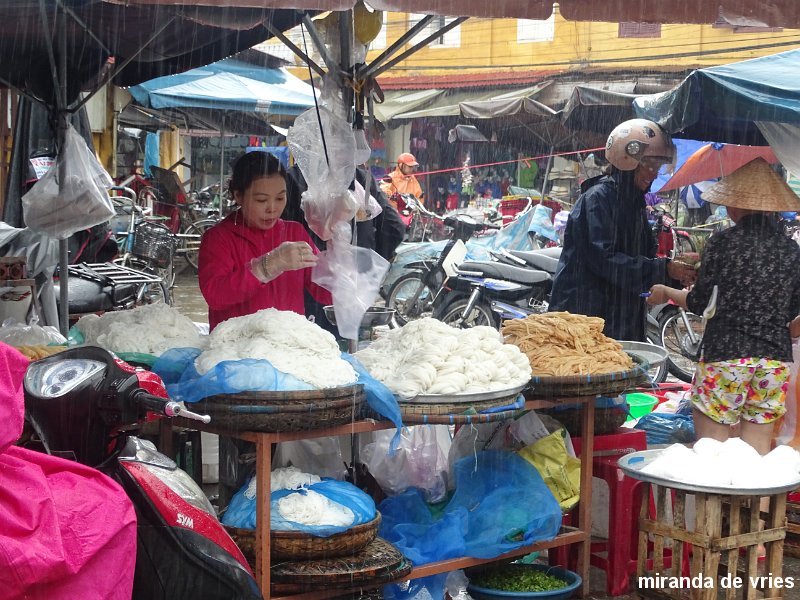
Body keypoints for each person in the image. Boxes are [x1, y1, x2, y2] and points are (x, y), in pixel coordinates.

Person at [647, 158, 800, 456]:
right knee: (755, 454)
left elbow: (700, 303)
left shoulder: (723, 242)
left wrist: (666, 291)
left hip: (726, 356)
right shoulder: (792, 251)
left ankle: (714, 502)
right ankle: (746, 504)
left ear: (736, 206)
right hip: (773, 362)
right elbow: (794, 317)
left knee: (710, 453)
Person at [548, 118, 697, 341]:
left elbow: (638, 260)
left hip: (620, 318)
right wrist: (664, 270)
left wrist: (675, 274)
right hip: (587, 317)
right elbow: (606, 261)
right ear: (627, 160)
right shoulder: (597, 200)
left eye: (659, 167)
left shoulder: (634, 203)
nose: (655, 174)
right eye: (650, 166)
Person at [198, 151, 332, 331]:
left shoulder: (294, 232)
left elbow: (324, 291)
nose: (272, 208)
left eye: (279, 198)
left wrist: (344, 269)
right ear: (238, 196)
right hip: (236, 349)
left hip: (288, 345)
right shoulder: (218, 238)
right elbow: (215, 296)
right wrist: (266, 266)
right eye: (261, 200)